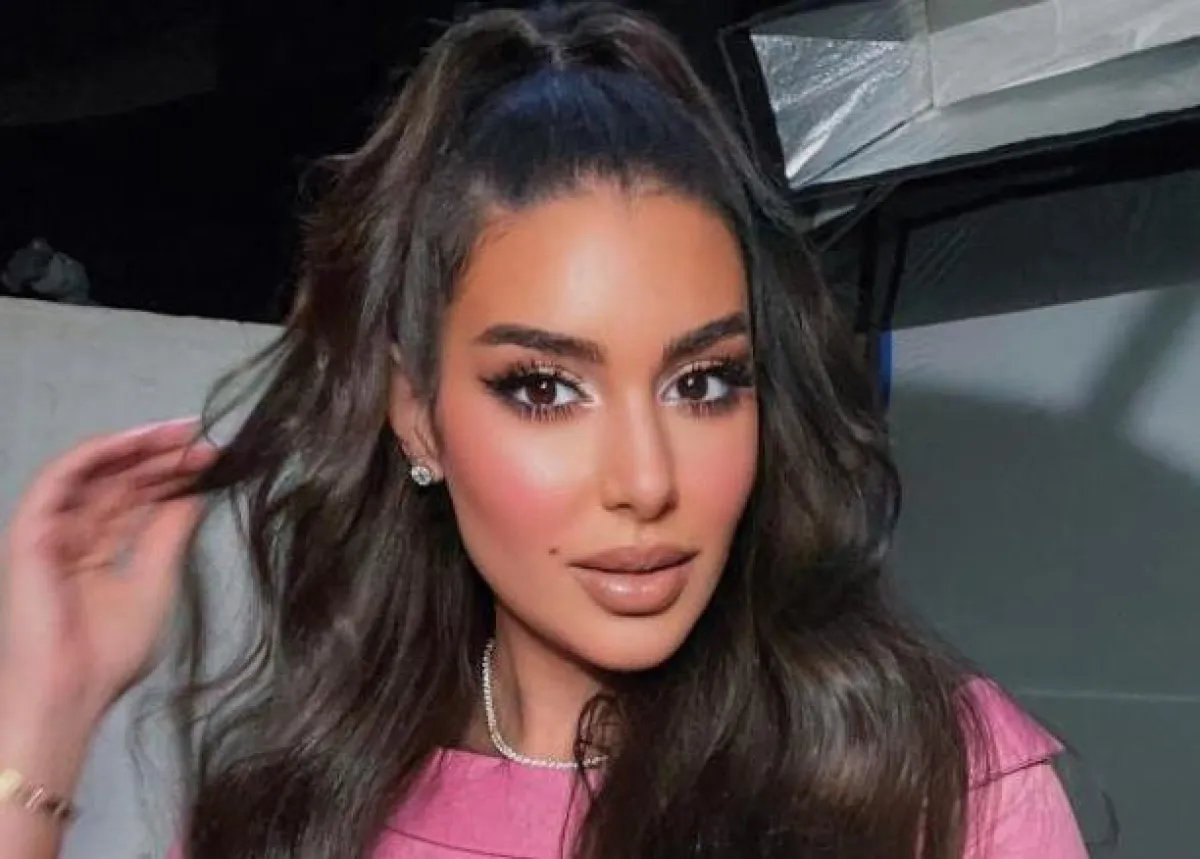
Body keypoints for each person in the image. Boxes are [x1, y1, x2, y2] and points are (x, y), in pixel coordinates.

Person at [0, 4, 1088, 858]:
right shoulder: (306, 810)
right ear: (418, 416)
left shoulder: (930, 784)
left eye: (704, 381)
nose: (646, 480)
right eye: (545, 388)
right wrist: (45, 718)